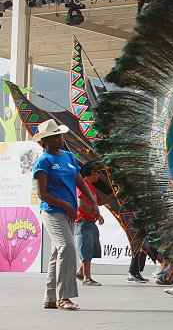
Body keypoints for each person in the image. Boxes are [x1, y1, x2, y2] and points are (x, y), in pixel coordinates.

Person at [33, 119, 101, 310]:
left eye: (60, 135)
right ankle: (64, 296)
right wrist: (66, 205)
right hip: (52, 212)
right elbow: (42, 194)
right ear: (44, 142)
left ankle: (50, 298)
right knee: (67, 248)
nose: (60, 139)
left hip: (69, 213)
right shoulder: (43, 161)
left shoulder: (69, 158)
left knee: (58, 253)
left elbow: (81, 183)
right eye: (54, 137)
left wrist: (94, 202)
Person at [75, 161, 115, 286]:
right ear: (93, 172)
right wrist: (97, 215)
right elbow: (81, 204)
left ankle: (80, 272)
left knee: (91, 248)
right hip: (83, 220)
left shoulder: (91, 187)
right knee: (86, 248)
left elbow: (99, 202)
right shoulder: (83, 184)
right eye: (99, 172)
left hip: (90, 221)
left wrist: (113, 195)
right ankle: (87, 278)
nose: (99, 175)